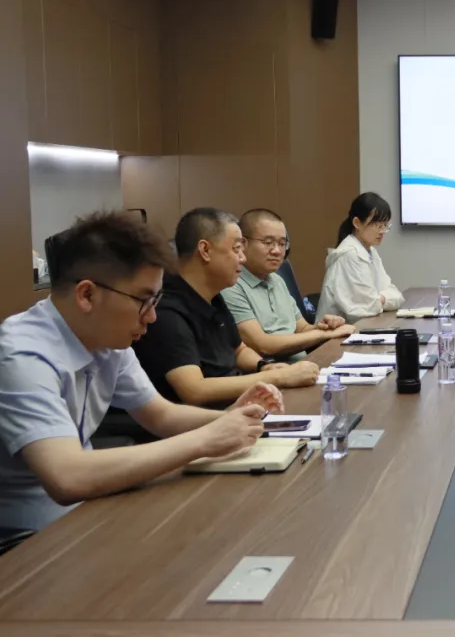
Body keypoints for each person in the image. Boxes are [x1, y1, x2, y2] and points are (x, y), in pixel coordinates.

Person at [0, 212, 284, 532]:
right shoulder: (23, 356)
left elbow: (161, 416)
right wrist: (206, 439)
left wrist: (230, 418)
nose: (151, 317)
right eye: (144, 300)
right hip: (30, 538)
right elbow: (67, 477)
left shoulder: (108, 338)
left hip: (90, 509)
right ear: (87, 295)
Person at [134, 208, 319, 408]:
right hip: (203, 417)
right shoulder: (167, 310)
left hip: (236, 405)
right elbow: (195, 390)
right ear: (205, 250)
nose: (242, 258)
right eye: (236, 249)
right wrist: (279, 377)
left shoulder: (213, 295)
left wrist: (263, 366)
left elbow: (238, 350)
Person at [222, 209, 355, 361]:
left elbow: (302, 328)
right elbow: (263, 345)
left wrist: (325, 327)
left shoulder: (277, 280)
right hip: (270, 372)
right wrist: (323, 334)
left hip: (304, 365)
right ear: (243, 244)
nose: (277, 251)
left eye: (282, 243)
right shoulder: (231, 285)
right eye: (268, 243)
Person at [317, 192, 404, 323]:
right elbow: (365, 308)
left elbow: (396, 295)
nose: (382, 231)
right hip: (338, 332)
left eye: (385, 226)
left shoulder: (371, 252)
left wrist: (379, 299)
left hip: (361, 326)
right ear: (357, 223)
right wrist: (380, 299)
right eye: (378, 225)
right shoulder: (349, 254)